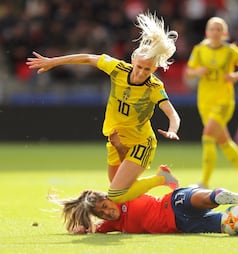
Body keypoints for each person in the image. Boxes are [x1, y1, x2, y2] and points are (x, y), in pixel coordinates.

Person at [26, 12, 181, 203]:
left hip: (141, 143)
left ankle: (161, 178)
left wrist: (173, 129)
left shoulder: (154, 87)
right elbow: (87, 58)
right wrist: (53, 62)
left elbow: (172, 113)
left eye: (147, 69)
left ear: (154, 69)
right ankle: (137, 216)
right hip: (115, 138)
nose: (141, 72)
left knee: (116, 193)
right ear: (133, 62)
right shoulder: (118, 69)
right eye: (139, 67)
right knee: (119, 190)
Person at [51, 186, 238, 235]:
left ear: (108, 197)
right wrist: (83, 227)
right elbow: (91, 230)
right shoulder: (112, 226)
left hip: (173, 202)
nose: (108, 211)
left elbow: (127, 167)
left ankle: (221, 195)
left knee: (200, 198)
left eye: (105, 205)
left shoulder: (123, 192)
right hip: (186, 226)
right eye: (102, 212)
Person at [185, 17, 238, 193]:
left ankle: (204, 182)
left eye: (219, 29)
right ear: (207, 32)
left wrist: (235, 76)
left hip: (224, 100)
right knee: (224, 141)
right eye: (212, 29)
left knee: (208, 136)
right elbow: (188, 72)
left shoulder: (231, 51)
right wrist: (196, 72)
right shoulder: (199, 50)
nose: (215, 32)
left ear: (224, 33)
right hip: (205, 101)